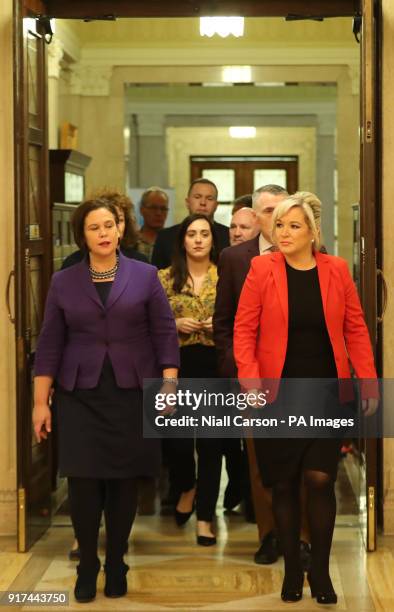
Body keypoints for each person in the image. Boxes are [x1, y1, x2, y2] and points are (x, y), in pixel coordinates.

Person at [234, 191, 378, 604]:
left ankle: (320, 570)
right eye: (279, 224)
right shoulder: (262, 269)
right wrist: (251, 384)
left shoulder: (335, 271)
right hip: (275, 395)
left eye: (294, 225)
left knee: (320, 479)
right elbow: (244, 331)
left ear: (313, 232)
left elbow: (355, 328)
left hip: (326, 392)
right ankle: (293, 570)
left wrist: (367, 382)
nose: (284, 232)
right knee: (282, 484)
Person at [33, 197, 179, 603]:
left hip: (131, 390)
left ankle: (116, 561)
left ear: (120, 229)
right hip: (80, 393)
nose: (102, 233)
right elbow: (49, 344)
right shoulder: (64, 281)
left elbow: (165, 332)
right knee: (83, 482)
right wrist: (40, 402)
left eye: (109, 226)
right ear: (82, 235)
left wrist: (169, 383)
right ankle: (87, 565)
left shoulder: (145, 274)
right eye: (94, 227)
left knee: (123, 483)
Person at [214, 184, 309, 565]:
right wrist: (236, 369)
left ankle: (301, 537)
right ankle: (270, 534)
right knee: (261, 462)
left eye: (283, 210)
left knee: (301, 459)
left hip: (301, 376)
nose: (277, 219)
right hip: (253, 377)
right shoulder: (235, 258)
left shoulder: (310, 254)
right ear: (254, 217)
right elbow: (224, 321)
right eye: (268, 211)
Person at [158, 214, 222, 546]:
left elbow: (243, 319)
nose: (198, 240)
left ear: (213, 239)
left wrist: (218, 325)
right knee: (179, 442)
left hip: (215, 367)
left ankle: (206, 518)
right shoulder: (163, 279)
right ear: (182, 239)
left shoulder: (227, 276)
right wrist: (175, 323)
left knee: (212, 446)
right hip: (176, 368)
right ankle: (187, 485)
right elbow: (149, 323)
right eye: (192, 234)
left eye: (205, 234)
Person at [152, 178, 229, 269]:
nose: (203, 203)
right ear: (187, 202)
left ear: (216, 205)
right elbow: (155, 277)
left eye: (209, 198)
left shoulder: (228, 235)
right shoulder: (165, 236)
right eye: (197, 197)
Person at [62, 188, 148, 268]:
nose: (105, 232)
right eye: (95, 227)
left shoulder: (141, 263)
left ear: (127, 224)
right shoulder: (72, 263)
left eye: (119, 220)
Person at [137, 187, 169, 262]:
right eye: (153, 208)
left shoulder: (174, 243)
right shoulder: (131, 242)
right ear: (142, 210)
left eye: (163, 209)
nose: (158, 213)